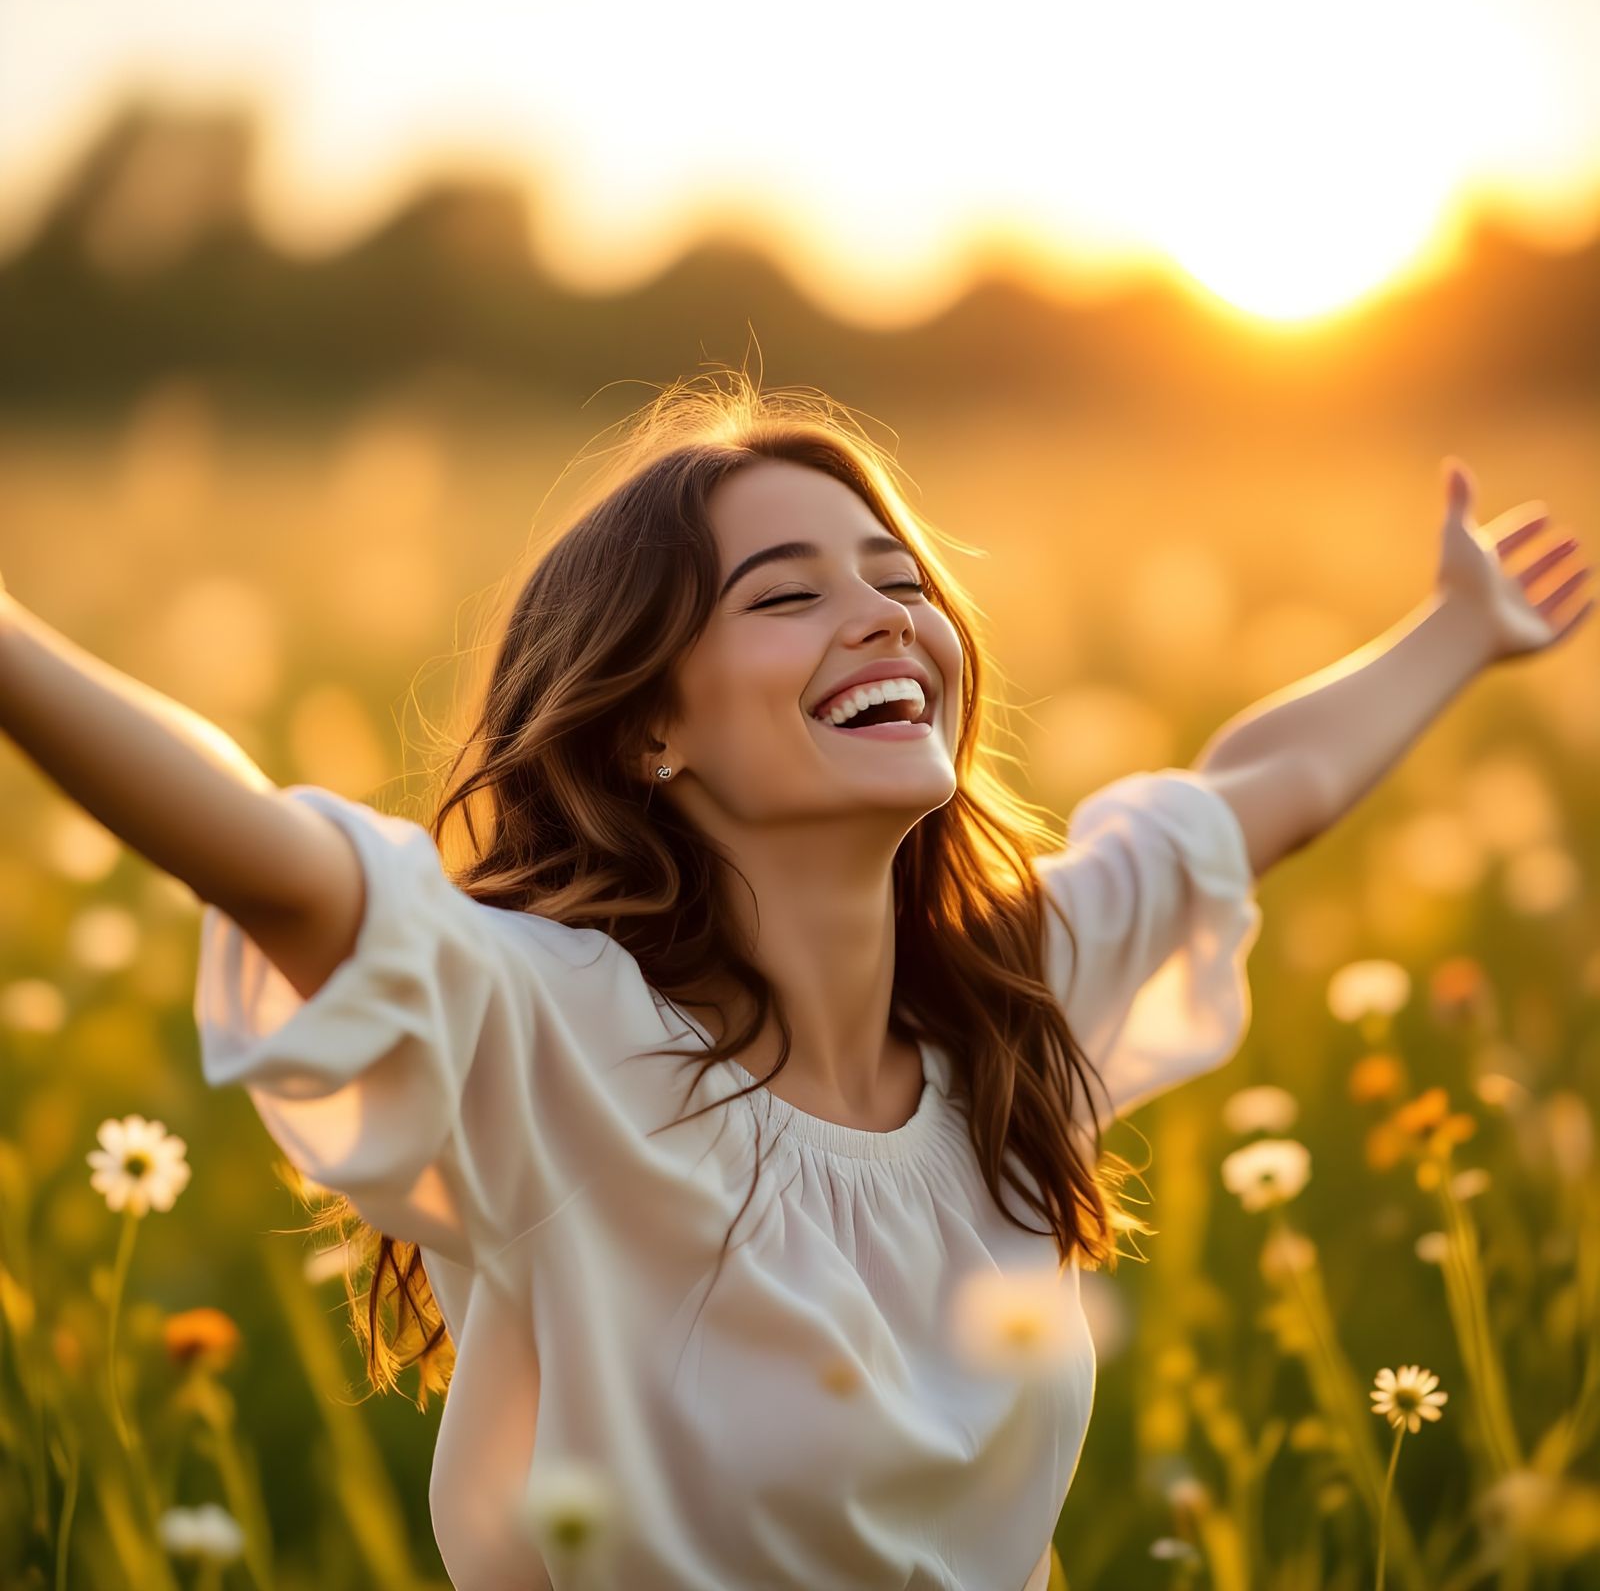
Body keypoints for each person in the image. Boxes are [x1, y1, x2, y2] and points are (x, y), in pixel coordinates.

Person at [1, 376, 1585, 1591]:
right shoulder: (562, 1037)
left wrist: (1458, 631)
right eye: (787, 593)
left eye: (894, 574)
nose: (882, 612)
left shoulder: (1008, 1005)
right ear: (646, 732)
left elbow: (1264, 789)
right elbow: (269, 858)